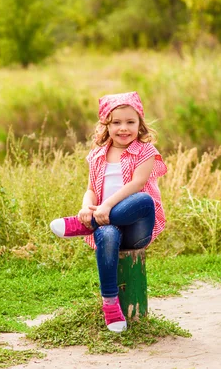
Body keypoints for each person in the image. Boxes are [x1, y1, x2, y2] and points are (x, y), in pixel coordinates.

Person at [50, 91, 167, 333]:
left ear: (140, 124)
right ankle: (110, 304)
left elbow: (136, 183)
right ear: (106, 124)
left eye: (130, 122)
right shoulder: (98, 154)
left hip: (137, 226)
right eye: (116, 122)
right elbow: (91, 189)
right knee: (109, 235)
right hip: (106, 223)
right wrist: (86, 207)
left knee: (143, 199)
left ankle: (86, 224)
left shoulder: (145, 151)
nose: (124, 128)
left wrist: (104, 208)